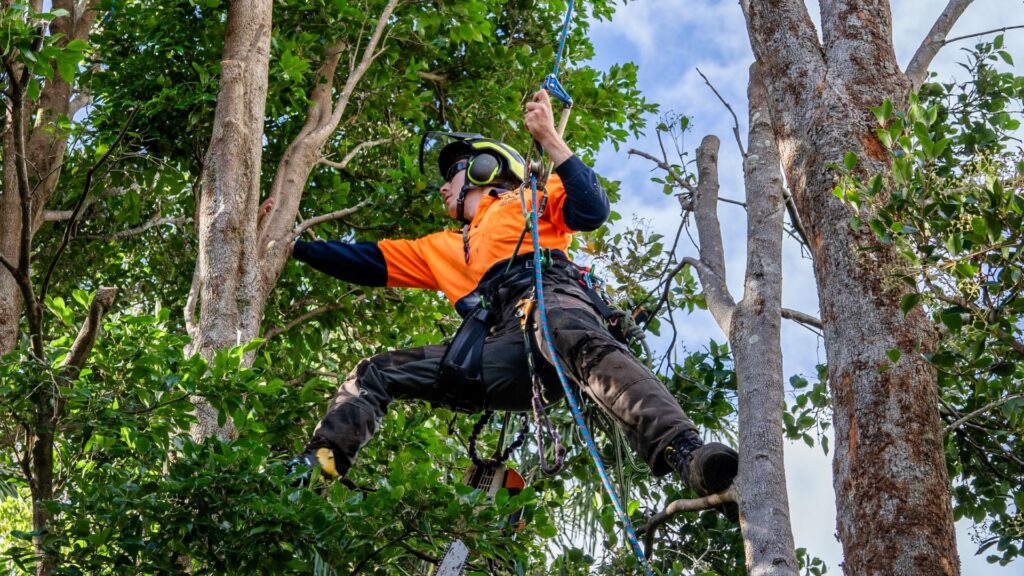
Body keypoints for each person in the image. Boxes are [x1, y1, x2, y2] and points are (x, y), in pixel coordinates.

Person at [287, 90, 738, 512]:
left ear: (485, 168)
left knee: (554, 322)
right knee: (376, 372)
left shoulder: (531, 199)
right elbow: (366, 260)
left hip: (552, 302)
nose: (444, 188)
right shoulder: (442, 247)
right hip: (499, 345)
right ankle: (319, 465)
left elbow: (591, 210)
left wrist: (550, 140)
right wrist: (294, 245)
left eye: (453, 175)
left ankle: (685, 451)